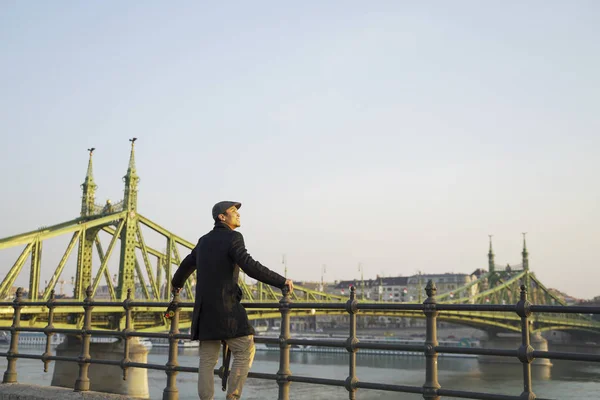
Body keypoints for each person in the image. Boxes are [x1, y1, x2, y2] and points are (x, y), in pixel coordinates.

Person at [171, 201, 293, 400]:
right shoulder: (233, 237)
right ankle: (233, 397)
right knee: (245, 350)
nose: (238, 215)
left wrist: (176, 283)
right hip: (227, 311)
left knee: (207, 361)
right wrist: (280, 281)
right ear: (222, 217)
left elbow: (186, 264)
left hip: (203, 312)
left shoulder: (203, 241)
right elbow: (249, 265)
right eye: (233, 212)